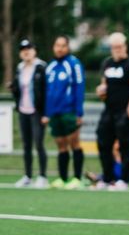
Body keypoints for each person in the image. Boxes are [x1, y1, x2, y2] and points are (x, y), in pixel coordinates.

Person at [95, 32, 129, 191]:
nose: (117, 49)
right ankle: (108, 178)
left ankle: (124, 179)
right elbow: (104, 86)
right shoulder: (107, 64)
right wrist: (101, 91)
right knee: (103, 141)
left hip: (125, 110)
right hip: (109, 109)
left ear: (125, 46)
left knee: (124, 145)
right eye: (114, 47)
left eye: (120, 46)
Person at [43, 35, 85, 190]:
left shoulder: (73, 64)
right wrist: (47, 113)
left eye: (62, 45)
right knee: (61, 145)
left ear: (68, 47)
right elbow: (47, 92)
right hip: (54, 113)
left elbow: (79, 88)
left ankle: (77, 178)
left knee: (74, 143)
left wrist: (79, 113)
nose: (59, 48)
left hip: (70, 111)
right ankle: (62, 178)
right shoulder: (51, 66)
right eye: (57, 45)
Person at [10, 39, 48, 188]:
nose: (26, 51)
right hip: (23, 110)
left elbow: (46, 92)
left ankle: (43, 176)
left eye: (29, 48)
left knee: (38, 143)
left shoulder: (41, 67)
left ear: (34, 50)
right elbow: (19, 88)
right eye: (23, 49)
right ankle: (27, 175)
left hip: (37, 111)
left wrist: (46, 113)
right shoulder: (20, 68)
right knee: (26, 145)